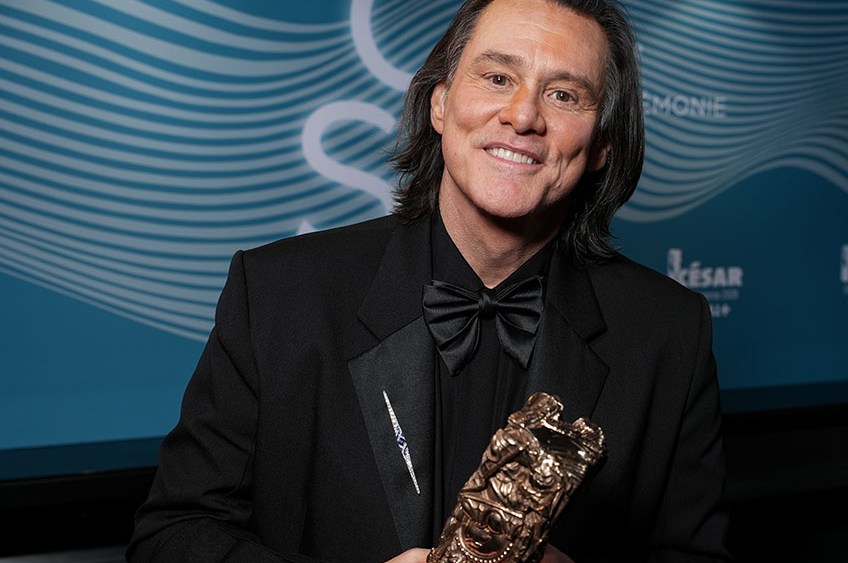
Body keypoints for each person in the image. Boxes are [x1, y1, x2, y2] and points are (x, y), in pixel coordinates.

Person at [128, 0, 730, 561]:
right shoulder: (278, 293)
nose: (523, 116)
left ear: (601, 145)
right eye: (498, 77)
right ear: (439, 103)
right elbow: (171, 537)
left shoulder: (669, 332)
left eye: (564, 95)